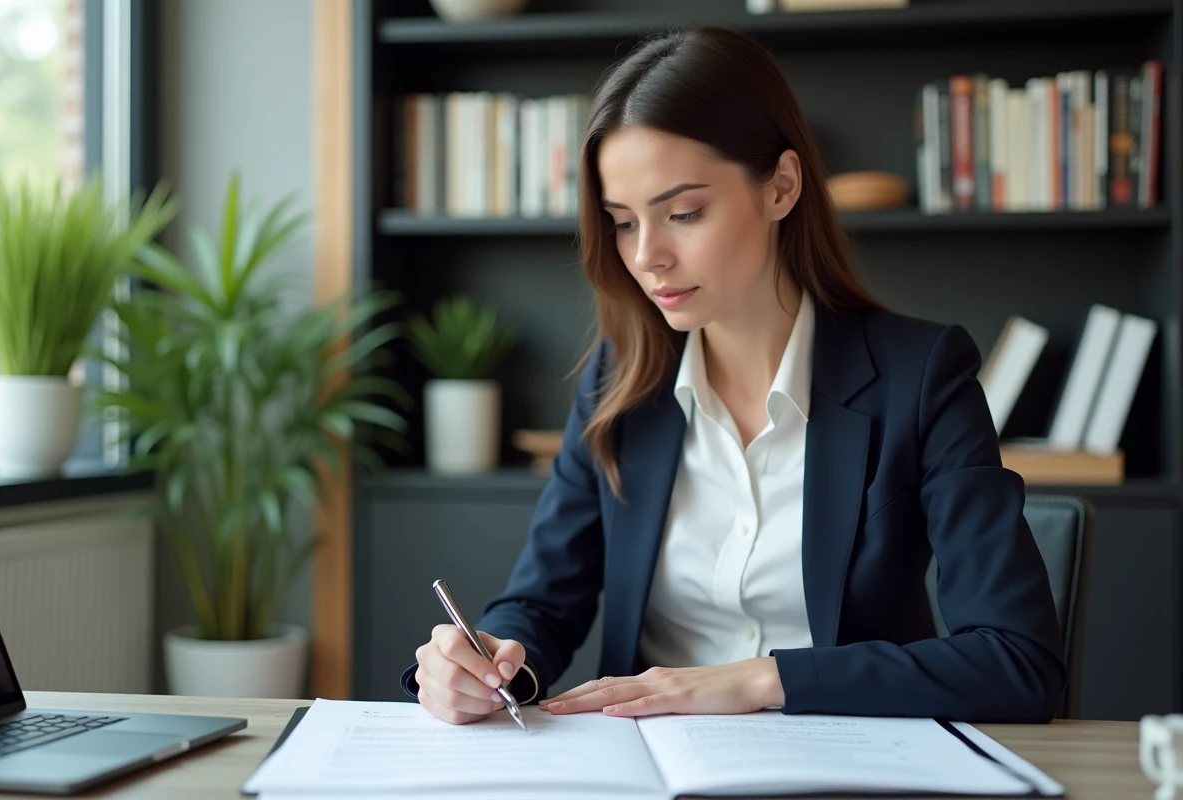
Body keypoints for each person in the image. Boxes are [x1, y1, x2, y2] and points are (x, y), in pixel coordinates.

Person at [401, 25, 1065, 726]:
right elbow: (542, 603)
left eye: (683, 212)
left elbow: (1015, 661)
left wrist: (758, 681)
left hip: (845, 765)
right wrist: (493, 661)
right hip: (642, 766)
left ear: (780, 187)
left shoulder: (920, 376)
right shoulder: (619, 379)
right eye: (623, 223)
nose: (648, 256)